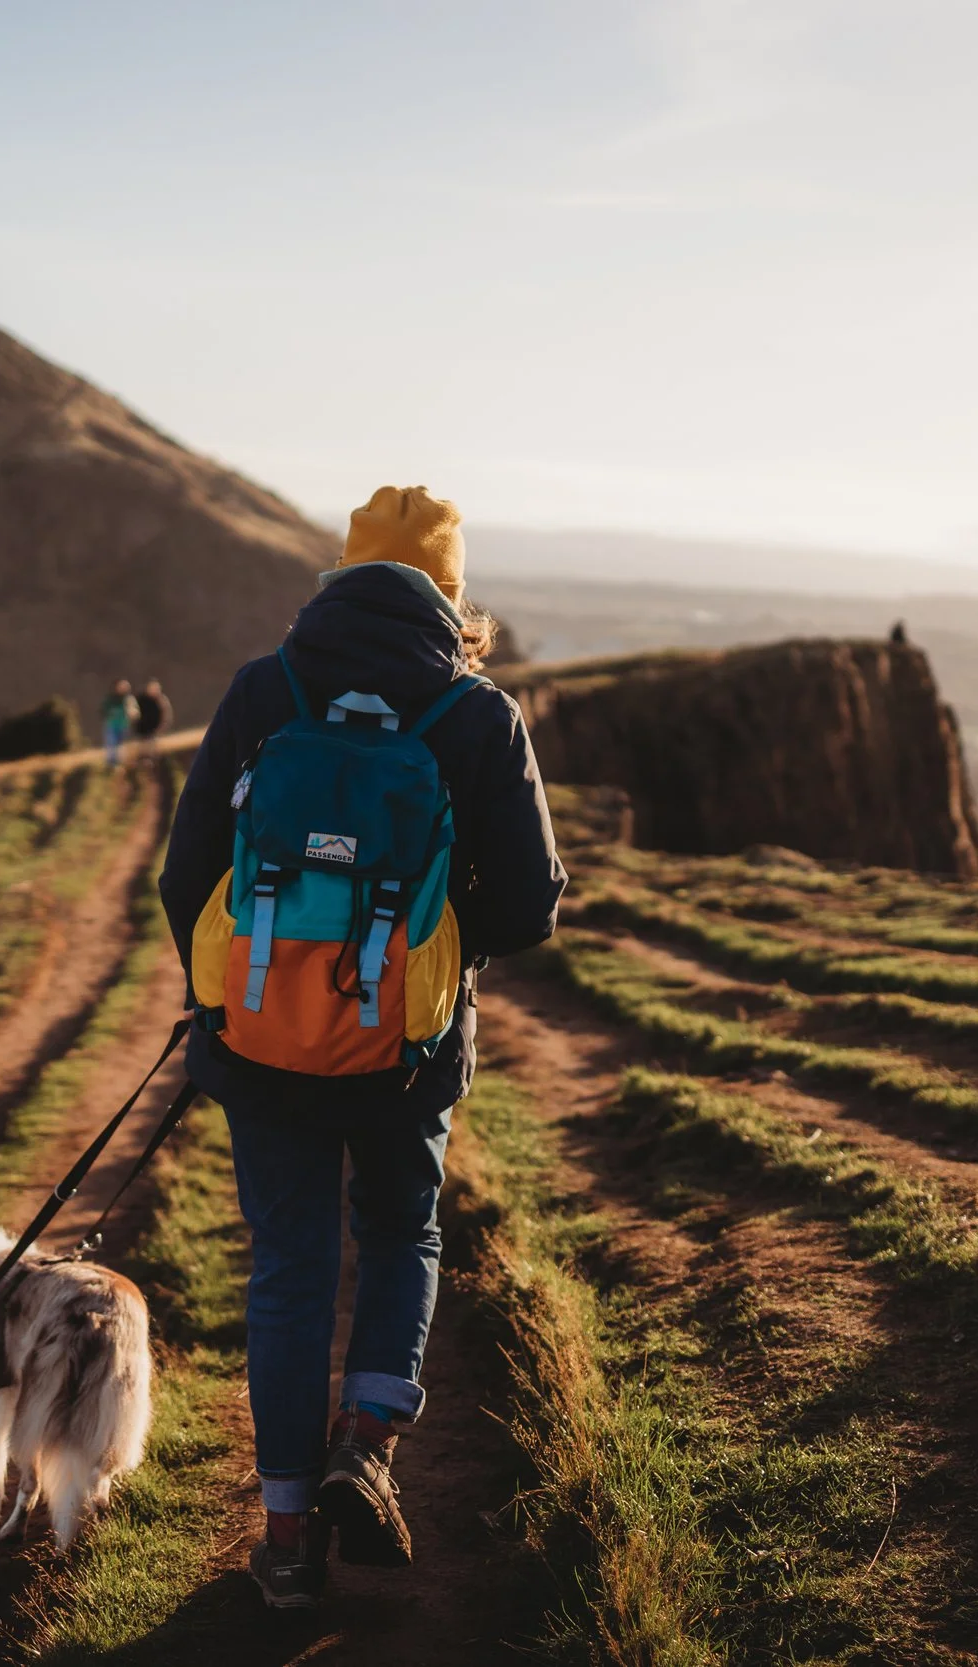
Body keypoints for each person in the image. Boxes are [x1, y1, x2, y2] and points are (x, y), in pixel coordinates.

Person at [159, 485, 566, 1609]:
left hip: (259, 1040)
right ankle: (370, 1441)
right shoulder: (475, 712)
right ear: (451, 588)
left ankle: (286, 1539)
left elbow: (183, 873)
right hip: (408, 1046)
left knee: (289, 1268)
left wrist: (237, 993)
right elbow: (529, 908)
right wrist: (431, 952)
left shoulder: (263, 690)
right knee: (399, 1231)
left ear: (343, 573)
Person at [99, 679, 137, 768]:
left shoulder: (129, 700)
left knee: (121, 745)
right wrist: (109, 714)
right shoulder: (110, 699)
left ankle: (120, 763)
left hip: (123, 726)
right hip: (111, 725)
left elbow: (135, 712)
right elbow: (103, 711)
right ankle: (110, 763)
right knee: (111, 743)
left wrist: (132, 714)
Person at [132, 677, 172, 750]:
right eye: (153, 688)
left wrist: (159, 732)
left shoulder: (162, 701)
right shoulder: (140, 700)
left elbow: (166, 718)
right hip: (142, 733)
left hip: (154, 734)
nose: (155, 691)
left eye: (157, 688)